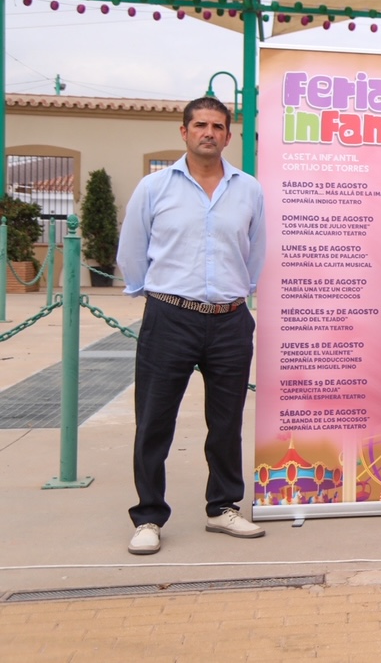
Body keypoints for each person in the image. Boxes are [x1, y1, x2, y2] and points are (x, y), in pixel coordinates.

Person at [117, 96, 267, 555]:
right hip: (170, 317)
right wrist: (159, 295)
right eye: (199, 124)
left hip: (229, 320)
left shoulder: (249, 190)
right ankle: (148, 516)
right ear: (184, 132)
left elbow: (254, 253)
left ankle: (222, 507)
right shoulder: (154, 187)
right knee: (155, 420)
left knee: (225, 422)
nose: (209, 132)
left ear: (227, 135)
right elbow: (132, 251)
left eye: (218, 126)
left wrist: (235, 294)